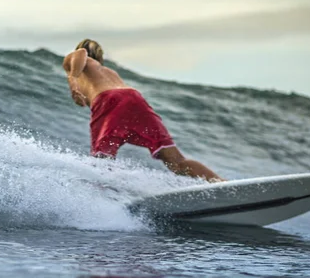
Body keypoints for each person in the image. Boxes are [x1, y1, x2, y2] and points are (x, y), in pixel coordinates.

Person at [63, 39, 224, 182]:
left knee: (101, 159)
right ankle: (222, 184)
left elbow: (80, 53)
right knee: (176, 161)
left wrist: (72, 82)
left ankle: (101, 199)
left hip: (109, 101)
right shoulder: (109, 73)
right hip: (134, 98)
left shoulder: (78, 58)